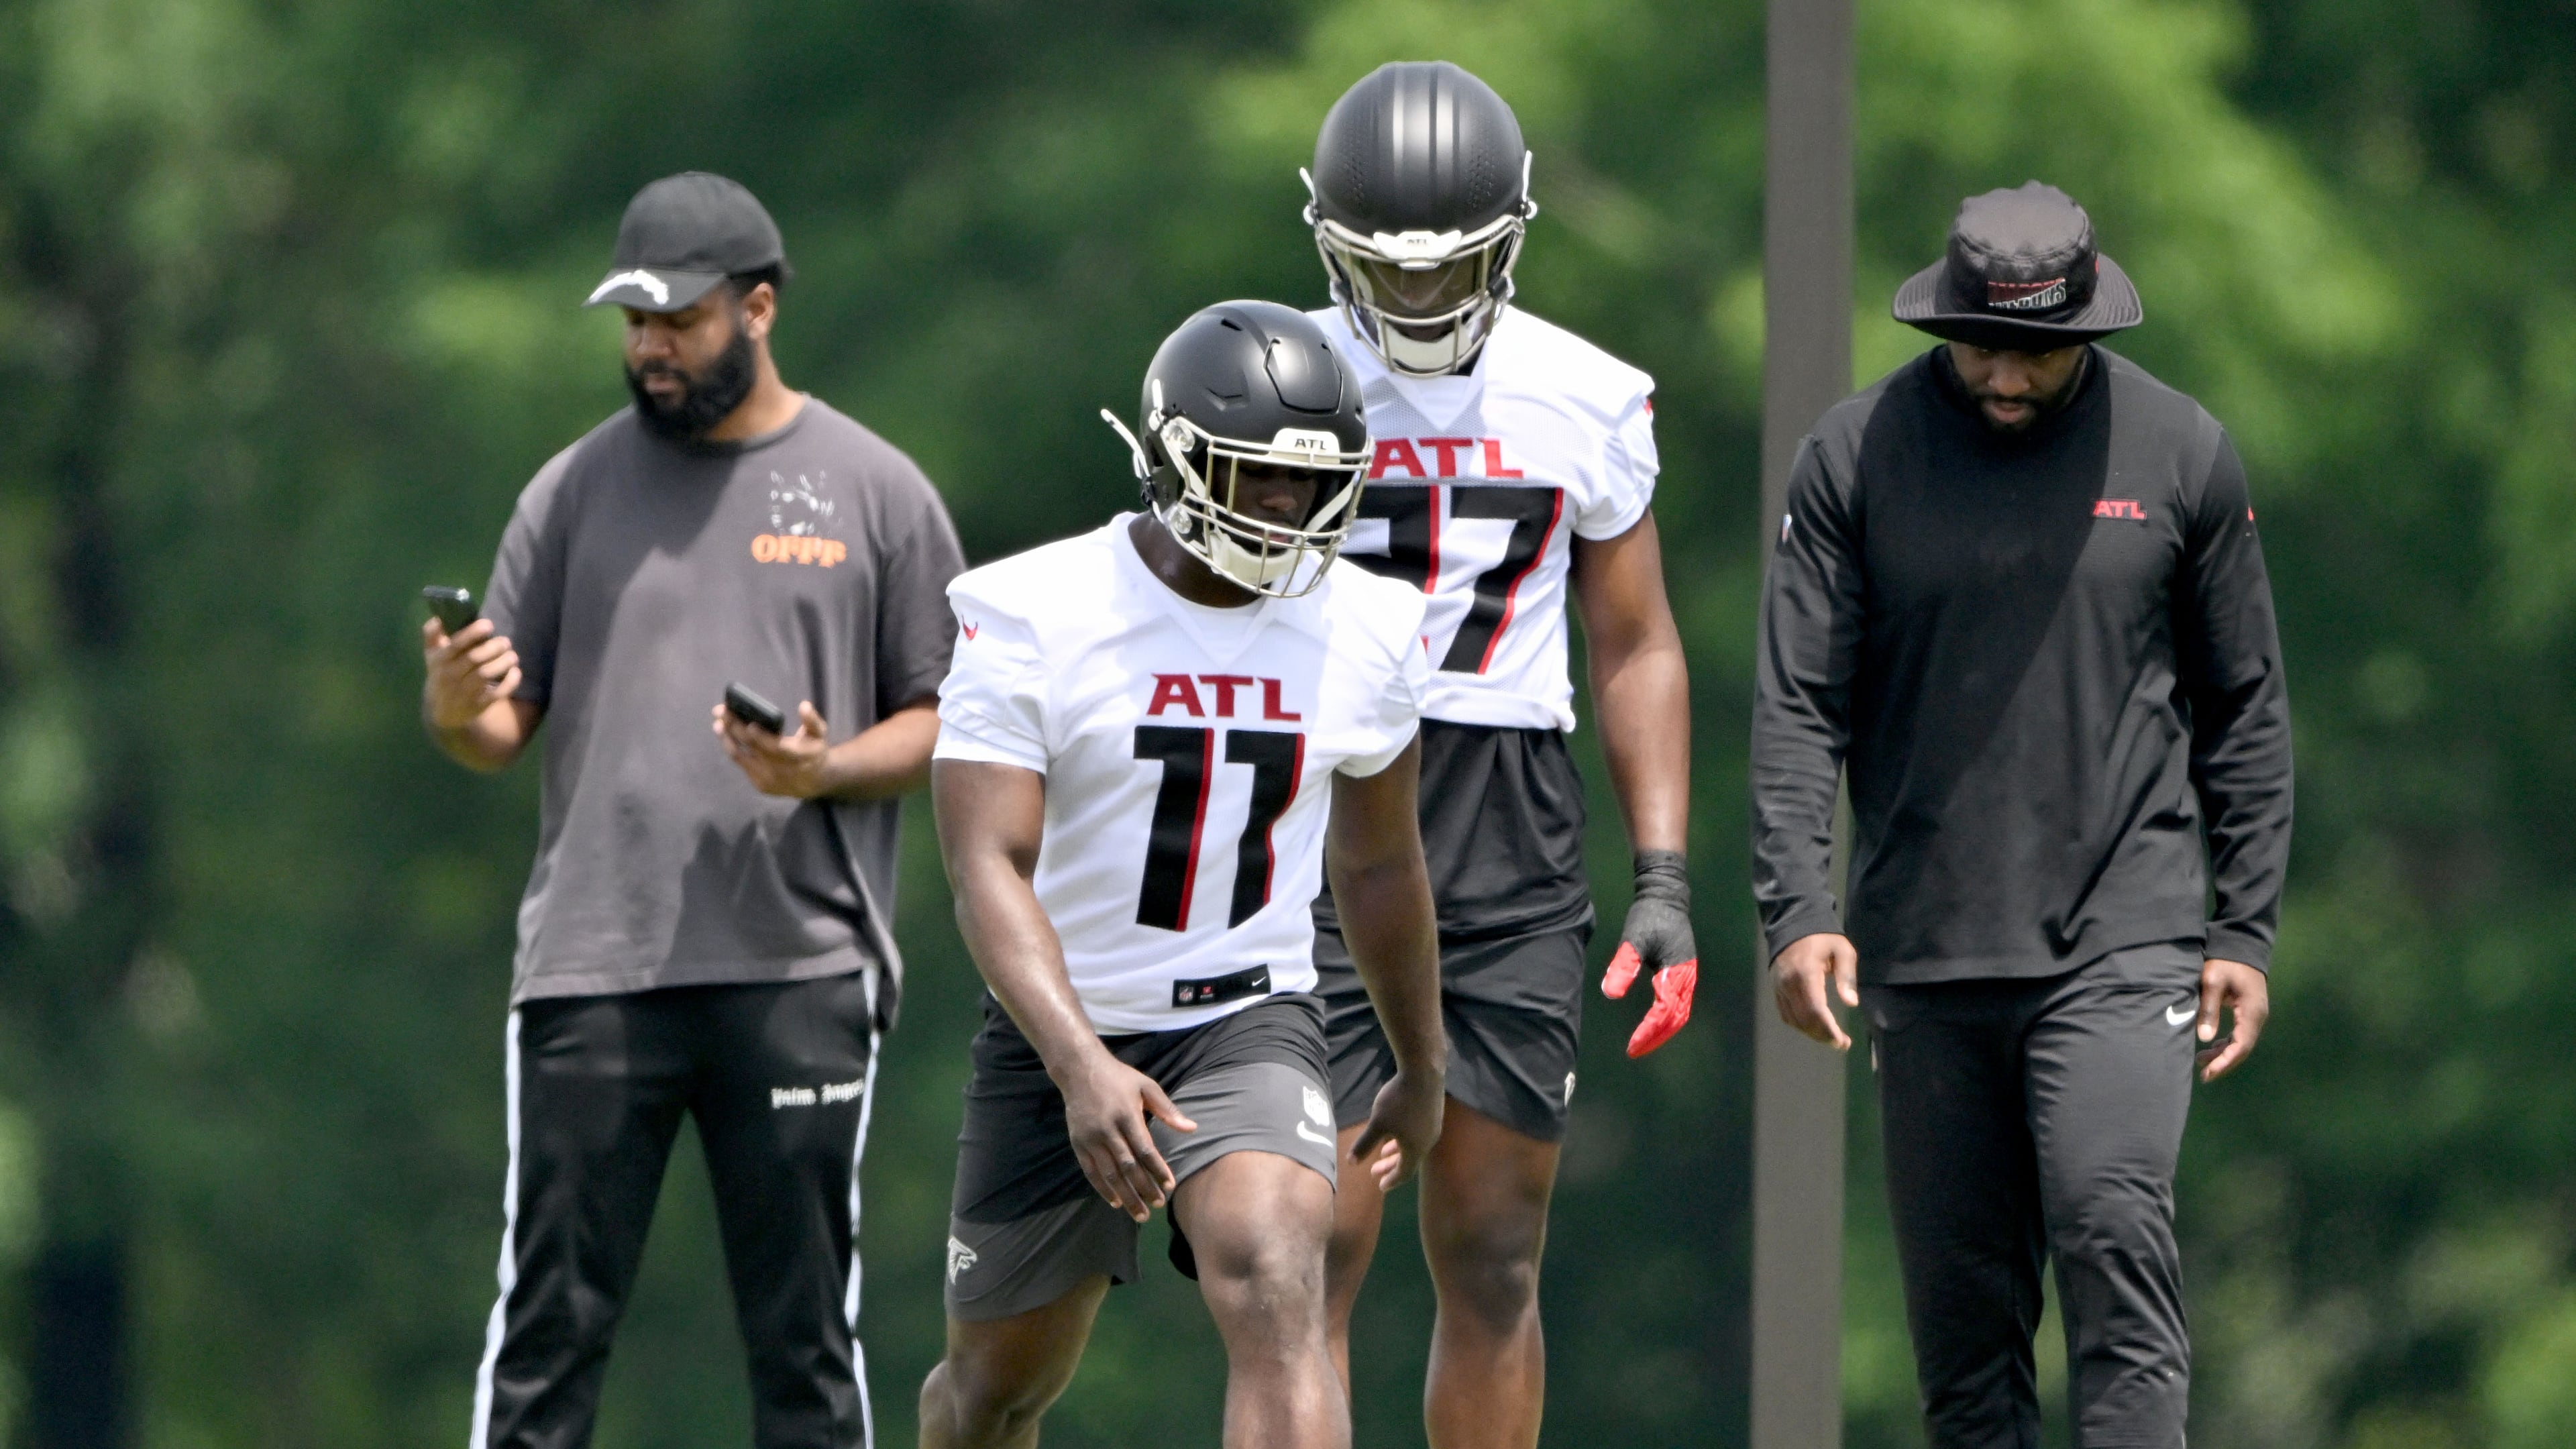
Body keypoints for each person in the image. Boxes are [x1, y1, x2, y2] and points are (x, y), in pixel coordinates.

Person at [421, 171, 966, 1449]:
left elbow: (956, 718)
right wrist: (452, 697)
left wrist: (825, 770)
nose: (650, 350)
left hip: (799, 969)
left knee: (802, 1343)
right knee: (550, 1327)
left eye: (679, 321)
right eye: (635, 325)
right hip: (593, 970)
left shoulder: (876, 492)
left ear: (759, 309)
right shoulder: (569, 490)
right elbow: (496, 730)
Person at [1754, 182, 2292, 1448]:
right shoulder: (1853, 456)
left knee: (2113, 1230)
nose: (2004, 372)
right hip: (1928, 950)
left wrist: (2244, 930)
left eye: (2037, 351)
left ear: (2088, 330)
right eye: (1980, 343)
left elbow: (2248, 710)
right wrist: (1796, 907)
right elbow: (1796, 705)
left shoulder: (2183, 455)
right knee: (1966, 1342)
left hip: (2126, 937)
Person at [916, 301, 1447, 1449]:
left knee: (1274, 1275)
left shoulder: (1368, 626)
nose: (1284, 509)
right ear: (1172, 454)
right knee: (991, 1396)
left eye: (1307, 486)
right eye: (1254, 476)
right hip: (1057, 1028)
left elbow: (1380, 862)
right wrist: (1078, 1065)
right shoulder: (1034, 610)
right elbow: (986, 866)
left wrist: (1422, 1059)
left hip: (1245, 1020)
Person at [1293, 61, 1698, 1447]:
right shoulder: (1272, 375)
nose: (1414, 304)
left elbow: (1635, 641)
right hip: (1320, 797)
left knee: (1494, 1250)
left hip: (1507, 809)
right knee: (1311, 1241)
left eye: (1445, 272)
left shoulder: (1581, 393)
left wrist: (1662, 871)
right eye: (1384, 275)